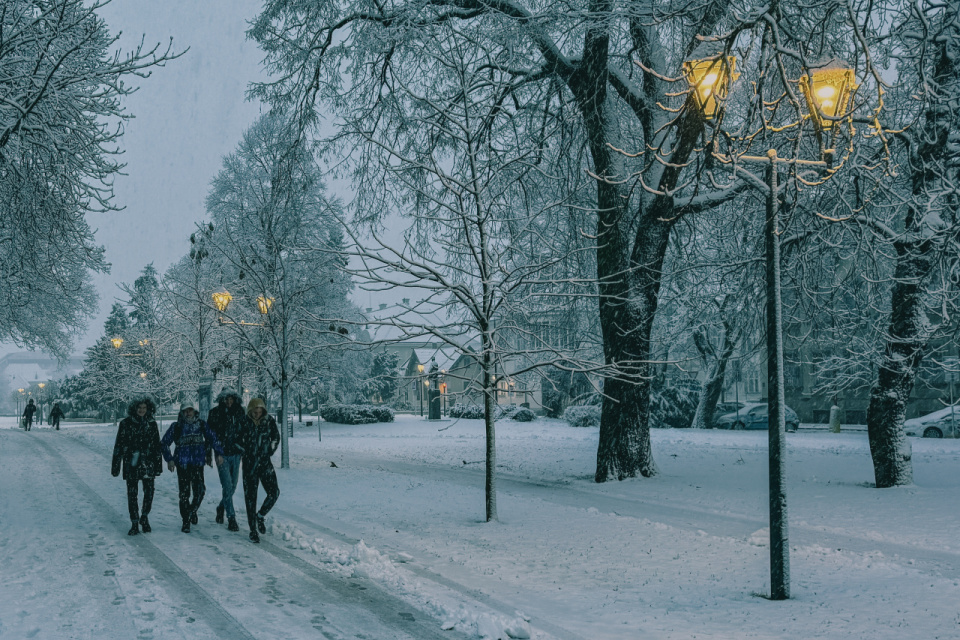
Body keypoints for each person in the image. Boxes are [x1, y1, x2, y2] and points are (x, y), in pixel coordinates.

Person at [160, 401, 224, 533]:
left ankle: (191, 510)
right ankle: (186, 521)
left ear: (195, 412)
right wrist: (169, 459)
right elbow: (164, 444)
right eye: (185, 411)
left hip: (197, 464)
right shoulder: (176, 427)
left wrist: (218, 453)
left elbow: (213, 438)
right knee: (184, 494)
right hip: (182, 465)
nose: (188, 413)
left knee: (200, 491)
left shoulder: (201, 425)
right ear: (182, 413)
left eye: (190, 410)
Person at [111, 398, 163, 535]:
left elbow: (157, 446)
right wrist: (116, 465)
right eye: (139, 407)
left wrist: (158, 465)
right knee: (132, 494)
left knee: (149, 492)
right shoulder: (125, 424)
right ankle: (134, 521)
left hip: (148, 463)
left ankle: (144, 517)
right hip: (131, 463)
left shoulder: (152, 424)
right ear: (134, 408)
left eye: (144, 408)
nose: (141, 410)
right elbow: (119, 445)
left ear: (148, 409)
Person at [239, 398, 280, 543]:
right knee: (251, 497)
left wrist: (270, 450)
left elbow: (275, 437)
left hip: (264, 463)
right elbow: (236, 440)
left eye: (260, 411)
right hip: (249, 465)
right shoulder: (244, 422)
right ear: (250, 411)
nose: (257, 414)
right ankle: (252, 529)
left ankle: (260, 516)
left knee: (274, 492)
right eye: (255, 411)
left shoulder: (269, 421)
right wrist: (245, 451)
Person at [207, 390, 246, 532]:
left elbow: (244, 432)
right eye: (226, 399)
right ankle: (231, 518)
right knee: (227, 486)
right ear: (222, 399)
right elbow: (211, 435)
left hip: (236, 453)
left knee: (233, 486)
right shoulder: (215, 413)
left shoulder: (240, 412)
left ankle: (221, 506)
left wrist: (242, 449)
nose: (229, 402)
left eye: (231, 399)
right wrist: (215, 453)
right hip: (222, 454)